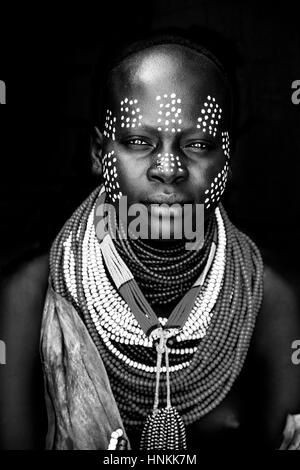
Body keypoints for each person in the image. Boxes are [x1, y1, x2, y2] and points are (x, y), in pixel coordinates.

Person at [0, 33, 300, 451]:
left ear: (226, 161)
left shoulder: (268, 300)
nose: (168, 168)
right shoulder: (29, 297)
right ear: (96, 151)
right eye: (139, 143)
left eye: (197, 145)